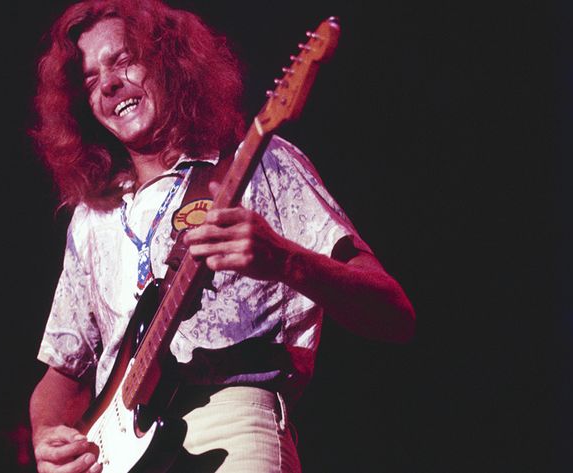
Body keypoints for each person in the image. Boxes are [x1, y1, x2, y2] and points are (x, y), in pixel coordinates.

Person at [28, 1, 415, 472]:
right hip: (120, 458)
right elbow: (63, 373)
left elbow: (394, 313)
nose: (108, 84)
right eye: (90, 81)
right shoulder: (93, 217)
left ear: (169, 61)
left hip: (230, 423)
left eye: (124, 60)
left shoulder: (259, 165)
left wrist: (285, 261)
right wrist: (47, 435)